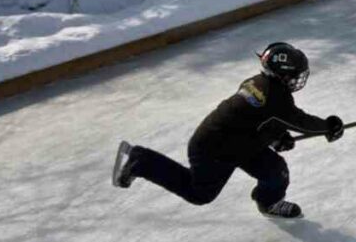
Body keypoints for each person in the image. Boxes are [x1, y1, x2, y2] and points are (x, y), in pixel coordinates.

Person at [111, 42, 343, 219]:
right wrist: (328, 127)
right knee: (199, 194)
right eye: (294, 76)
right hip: (213, 149)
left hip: (239, 143)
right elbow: (298, 121)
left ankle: (269, 202)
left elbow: (256, 120)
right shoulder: (275, 98)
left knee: (275, 170)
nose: (297, 80)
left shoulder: (258, 83)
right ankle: (141, 161)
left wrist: (275, 137)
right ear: (282, 74)